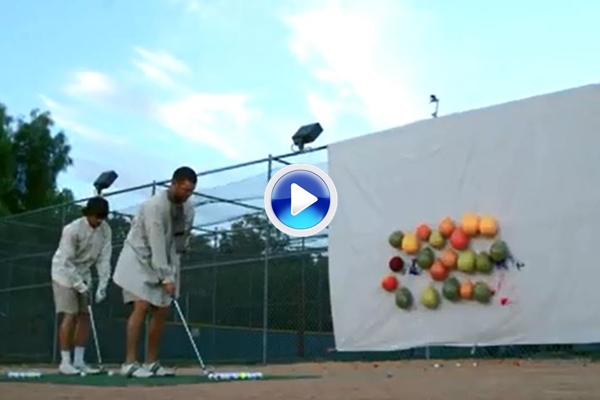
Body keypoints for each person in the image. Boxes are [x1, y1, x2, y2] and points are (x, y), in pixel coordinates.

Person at [112, 166, 196, 378]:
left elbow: (180, 242)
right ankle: (129, 363)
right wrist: (165, 277)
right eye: (184, 189)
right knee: (141, 305)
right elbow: (156, 242)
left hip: (164, 261)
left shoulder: (188, 209)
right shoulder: (154, 206)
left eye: (191, 191)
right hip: (138, 259)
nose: (187, 194)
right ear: (173, 184)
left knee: (162, 309)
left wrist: (172, 273)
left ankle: (151, 362)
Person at [51, 196, 112, 375]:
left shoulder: (105, 229)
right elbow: (67, 261)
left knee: (85, 316)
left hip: (84, 273)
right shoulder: (72, 230)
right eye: (96, 216)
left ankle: (79, 361)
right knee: (70, 314)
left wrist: (102, 284)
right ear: (88, 214)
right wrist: (79, 285)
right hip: (63, 273)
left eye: (102, 217)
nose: (99, 221)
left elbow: (104, 258)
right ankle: (65, 362)